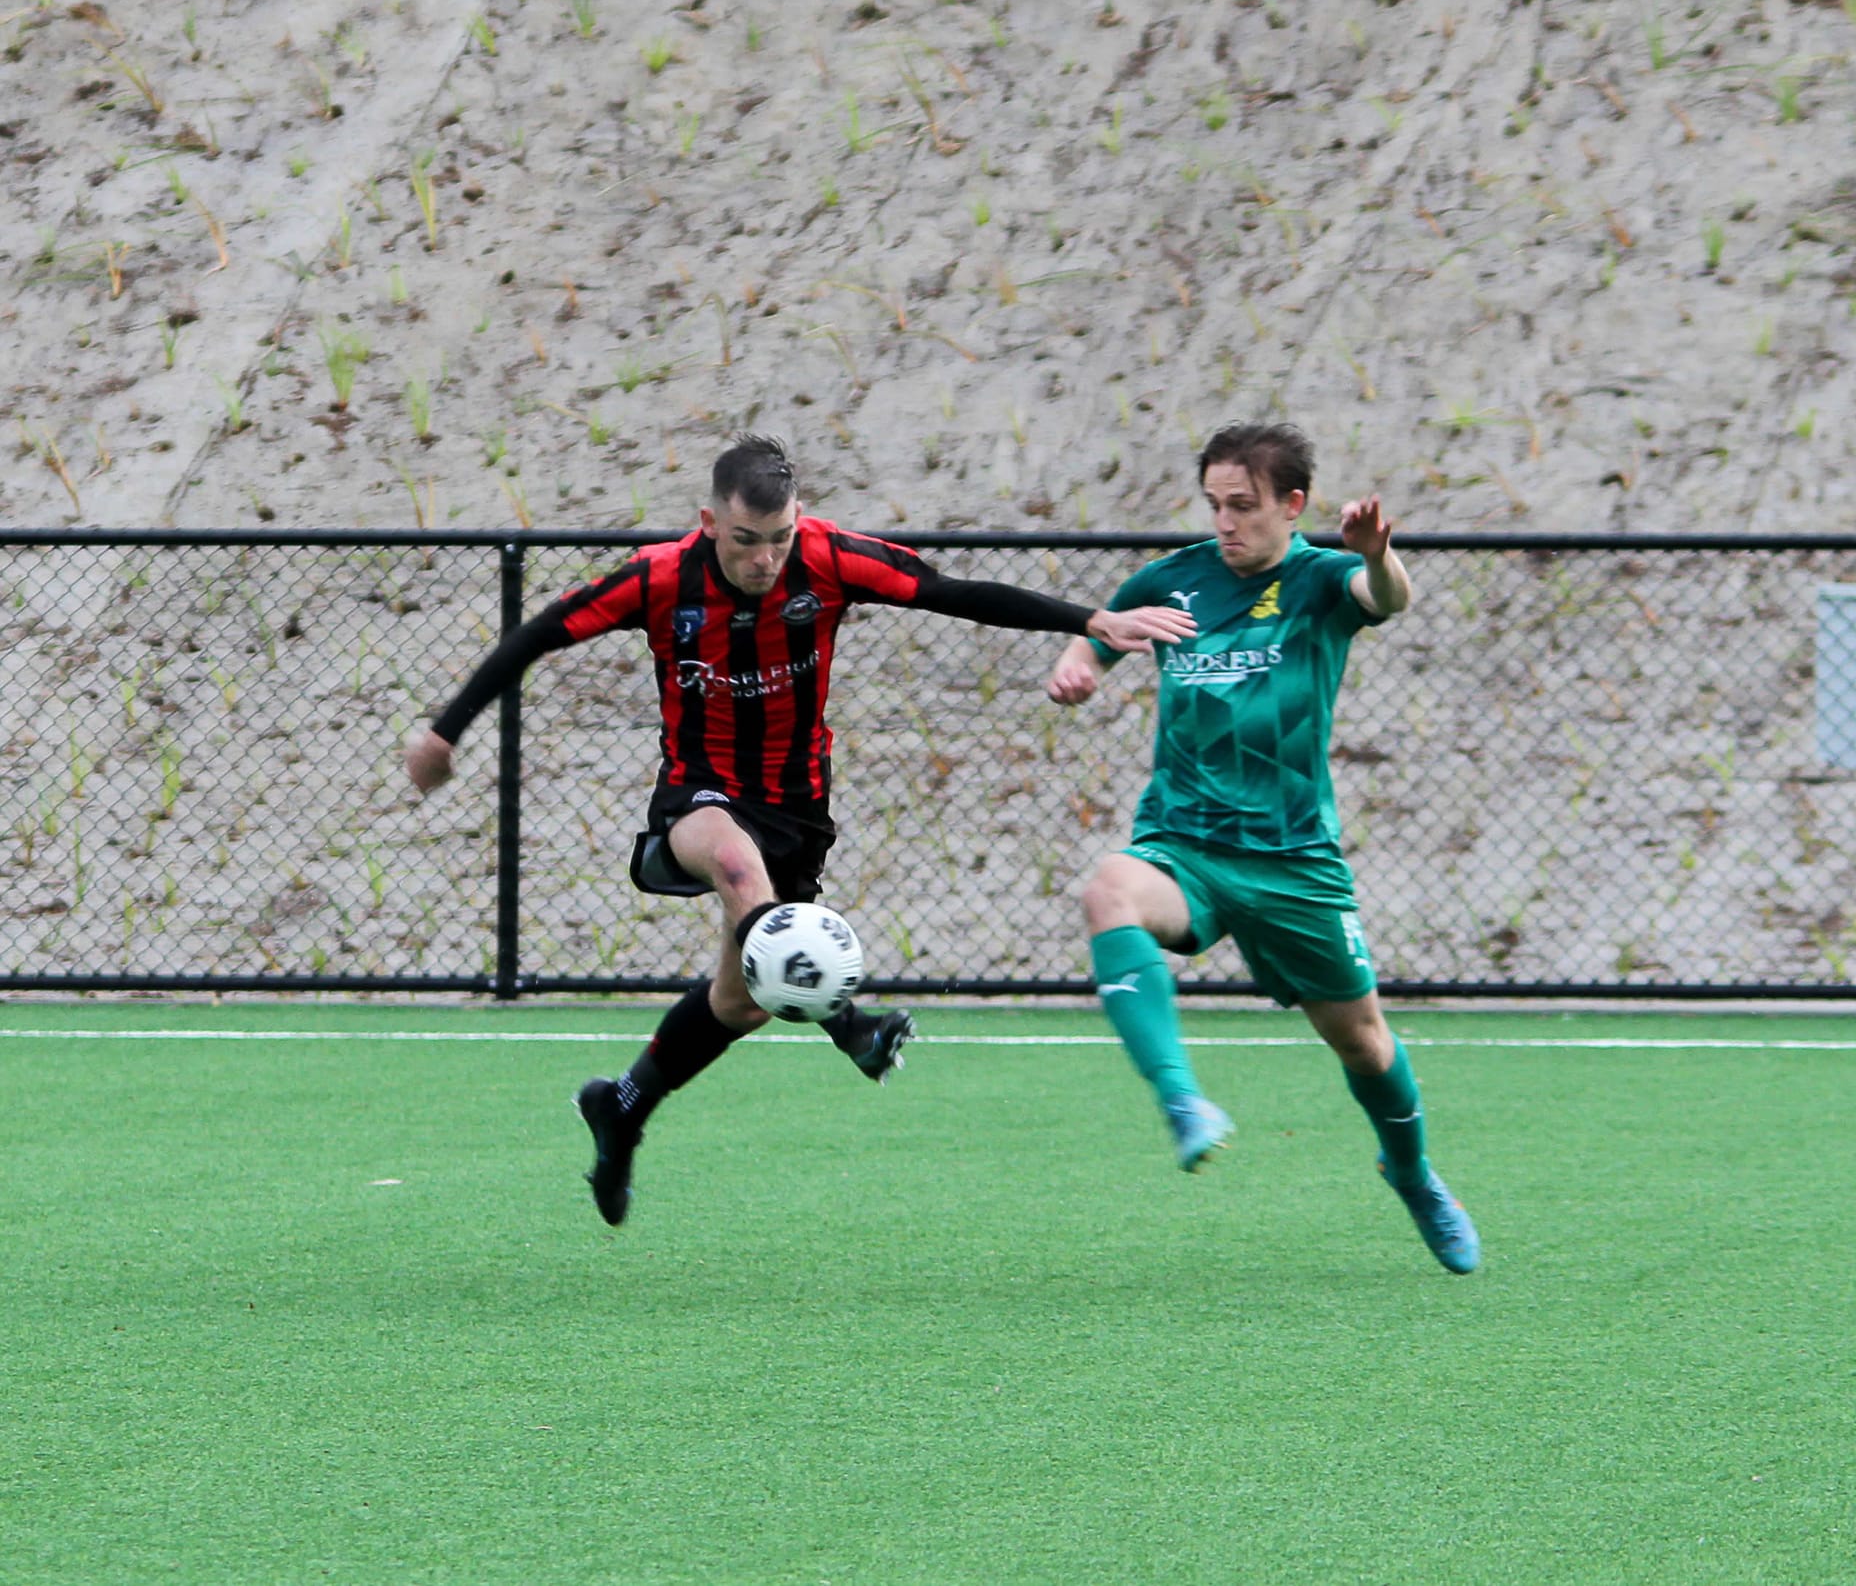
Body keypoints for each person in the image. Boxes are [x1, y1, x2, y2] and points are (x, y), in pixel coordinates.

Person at [407, 434, 1193, 1226]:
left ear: (799, 520)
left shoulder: (831, 559)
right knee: (740, 874)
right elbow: (540, 632)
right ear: (708, 520)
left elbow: (955, 592)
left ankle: (622, 1106)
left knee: (740, 1001)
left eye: (779, 538)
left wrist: (1092, 618)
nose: (765, 559)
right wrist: (447, 731)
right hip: (699, 796)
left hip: (798, 807)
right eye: (746, 541)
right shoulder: (659, 579)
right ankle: (850, 1027)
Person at [1045, 422, 1480, 1274]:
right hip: (1185, 843)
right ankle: (1183, 1102)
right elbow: (1099, 633)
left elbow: (1388, 599)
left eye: (1242, 506)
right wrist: (1080, 665)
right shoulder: (1174, 580)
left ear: (1292, 504)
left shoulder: (1320, 579)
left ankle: (1413, 1172)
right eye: (1214, 505)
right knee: (1107, 891)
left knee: (1364, 1043)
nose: (1224, 523)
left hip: (1291, 858)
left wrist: (1378, 553)